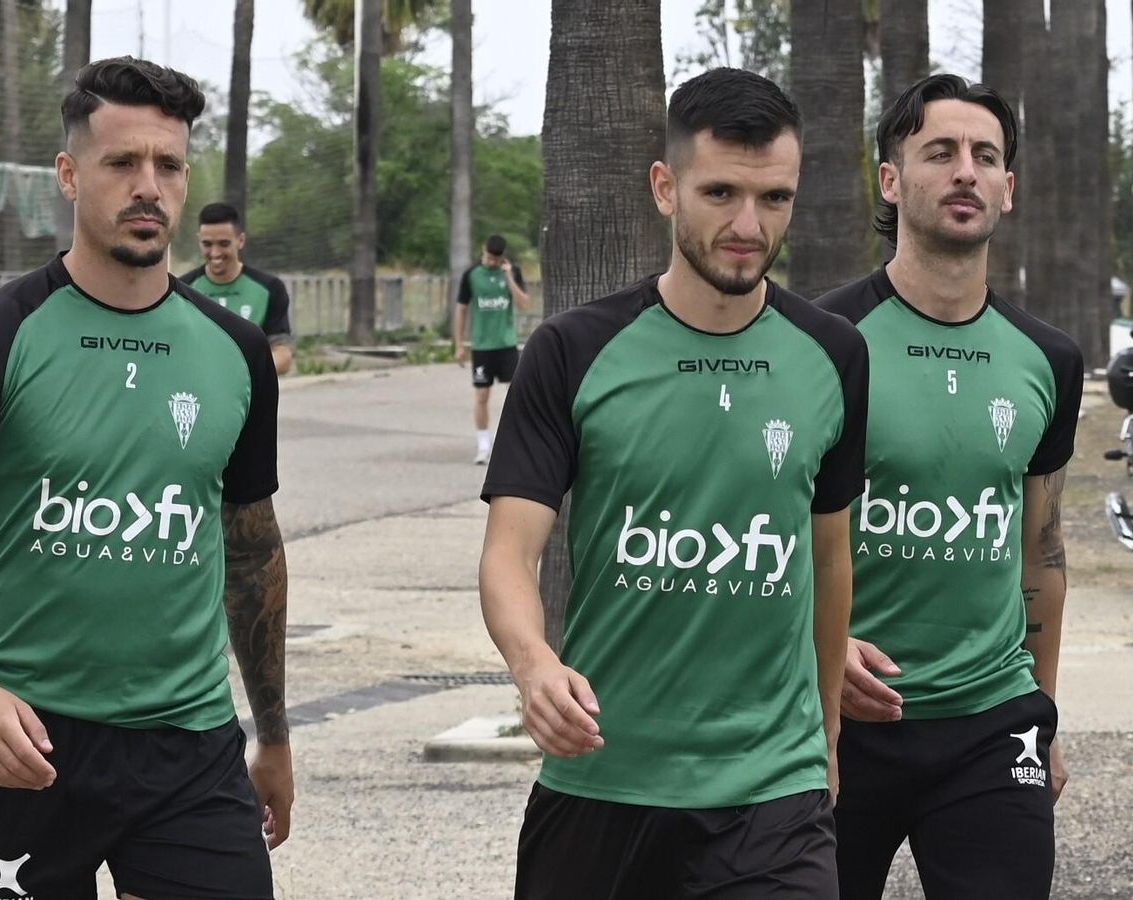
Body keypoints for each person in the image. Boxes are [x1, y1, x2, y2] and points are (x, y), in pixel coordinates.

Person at [0, 57, 292, 899]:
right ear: (70, 175)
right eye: (122, 163)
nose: (149, 187)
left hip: (188, 745)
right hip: (24, 739)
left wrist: (274, 734)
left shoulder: (237, 352)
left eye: (168, 165)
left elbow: (251, 555)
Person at [478, 67, 867, 899]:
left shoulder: (834, 353)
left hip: (773, 797)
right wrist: (533, 664)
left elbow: (830, 560)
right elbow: (510, 554)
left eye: (775, 199)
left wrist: (827, 732)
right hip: (601, 784)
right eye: (720, 192)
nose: (747, 225)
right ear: (666, 186)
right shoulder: (573, 350)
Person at [815, 74, 1081, 900]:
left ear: (1009, 186)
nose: (966, 170)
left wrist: (1044, 715)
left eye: (985, 155)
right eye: (941, 152)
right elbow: (765, 534)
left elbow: (1043, 552)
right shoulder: (819, 343)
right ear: (891, 181)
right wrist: (815, 650)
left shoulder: (1050, 360)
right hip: (837, 719)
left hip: (991, 727)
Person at [179, 202, 294, 375]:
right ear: (199, 240)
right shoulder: (182, 290)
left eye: (224, 244)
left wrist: (242, 372)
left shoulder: (269, 288)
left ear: (240, 241)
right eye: (207, 244)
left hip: (249, 393)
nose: (215, 252)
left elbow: (283, 355)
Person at [454, 234, 531, 463]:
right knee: (482, 394)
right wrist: (459, 343)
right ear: (483, 251)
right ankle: (483, 445)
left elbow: (524, 304)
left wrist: (508, 277)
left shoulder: (511, 271)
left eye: (496, 259)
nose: (492, 262)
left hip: (506, 343)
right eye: (489, 257)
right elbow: (461, 309)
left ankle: (514, 444)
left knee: (516, 394)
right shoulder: (471, 275)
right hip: (482, 345)